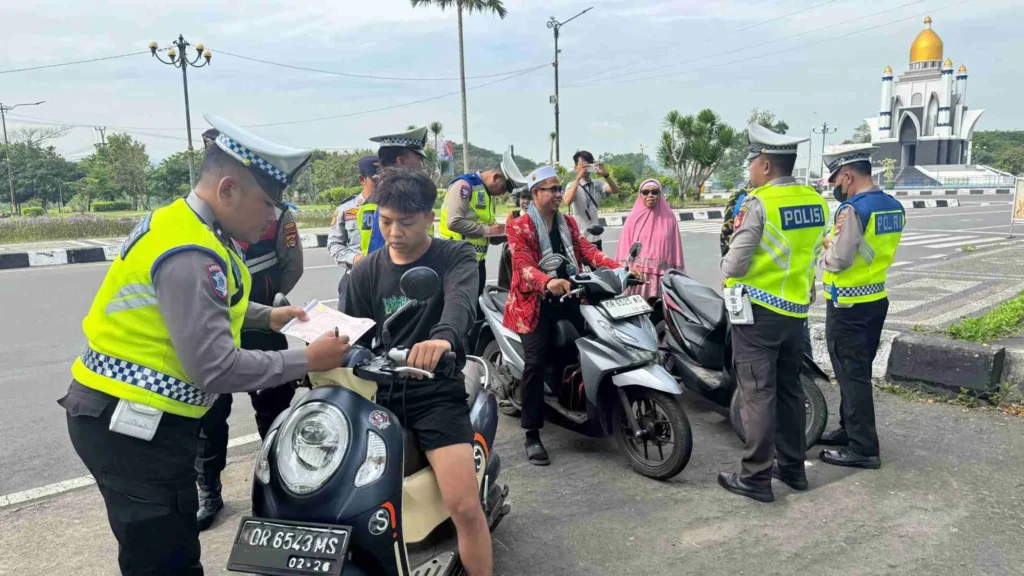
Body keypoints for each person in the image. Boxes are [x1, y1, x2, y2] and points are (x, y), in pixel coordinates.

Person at [59, 114, 352, 575]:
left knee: (159, 551)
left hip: (128, 419)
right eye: (268, 203)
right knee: (166, 561)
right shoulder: (192, 252)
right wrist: (306, 360)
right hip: (134, 429)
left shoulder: (186, 226)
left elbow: (199, 306)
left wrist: (266, 315)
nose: (274, 217)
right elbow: (213, 369)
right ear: (228, 189)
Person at [343, 168, 492, 576]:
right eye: (386, 221)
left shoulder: (454, 256)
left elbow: (460, 300)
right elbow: (354, 332)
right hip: (379, 394)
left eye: (406, 223)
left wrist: (442, 339)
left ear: (429, 218)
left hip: (434, 392)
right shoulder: (365, 271)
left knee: (463, 505)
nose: (394, 232)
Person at [191, 131, 307, 532]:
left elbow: (291, 265)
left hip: (260, 317)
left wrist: (274, 301)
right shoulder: (198, 224)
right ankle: (209, 489)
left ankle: (280, 483)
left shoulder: (276, 213)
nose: (265, 215)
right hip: (220, 326)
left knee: (274, 409)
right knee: (210, 415)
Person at [718, 123, 828, 503]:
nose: (749, 169)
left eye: (752, 162)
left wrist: (725, 268)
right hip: (795, 311)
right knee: (789, 390)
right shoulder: (817, 200)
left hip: (757, 313)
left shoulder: (759, 203)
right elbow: (812, 253)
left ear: (765, 165)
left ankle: (756, 477)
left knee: (758, 394)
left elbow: (734, 264)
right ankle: (794, 470)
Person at [504, 166, 620, 465]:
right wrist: (546, 281)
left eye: (559, 189)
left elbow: (587, 252)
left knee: (588, 349)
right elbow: (522, 265)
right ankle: (532, 433)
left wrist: (617, 268)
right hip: (534, 305)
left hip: (570, 297)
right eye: (552, 189)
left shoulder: (567, 222)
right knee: (535, 365)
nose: (558, 194)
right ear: (535, 194)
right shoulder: (519, 226)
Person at [817, 144, 904, 470]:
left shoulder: (852, 210)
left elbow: (839, 258)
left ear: (848, 175)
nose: (837, 187)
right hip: (875, 300)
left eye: (837, 180)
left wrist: (821, 257)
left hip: (848, 304)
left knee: (851, 376)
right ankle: (849, 430)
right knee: (856, 372)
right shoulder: (892, 206)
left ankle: (863, 448)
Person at [438, 148, 525, 297]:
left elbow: (483, 230)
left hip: (476, 262)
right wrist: (489, 231)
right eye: (504, 188)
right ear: (496, 177)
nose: (503, 193)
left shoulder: (486, 194)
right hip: (456, 261)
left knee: (476, 311)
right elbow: (453, 222)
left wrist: (504, 234)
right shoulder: (465, 185)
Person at [616, 178, 684, 300]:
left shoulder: (669, 219)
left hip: (662, 277)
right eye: (645, 192)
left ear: (660, 194)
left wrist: (675, 274)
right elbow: (624, 248)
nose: (650, 195)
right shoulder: (633, 219)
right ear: (640, 195)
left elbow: (676, 248)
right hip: (639, 276)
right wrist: (628, 269)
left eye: (655, 192)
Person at [366, 127, 430, 254]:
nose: (422, 165)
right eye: (419, 159)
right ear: (401, 161)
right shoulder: (398, 198)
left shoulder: (374, 197)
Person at [327, 155, 378, 310]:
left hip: (388, 279)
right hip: (355, 278)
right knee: (351, 331)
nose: (382, 183)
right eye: (376, 179)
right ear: (362, 179)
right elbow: (334, 244)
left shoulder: (395, 207)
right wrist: (355, 258)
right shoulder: (346, 209)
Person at [563, 149, 619, 250]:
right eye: (582, 164)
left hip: (595, 237)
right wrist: (578, 178)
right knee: (580, 266)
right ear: (576, 168)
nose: (585, 166)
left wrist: (606, 175)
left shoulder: (597, 184)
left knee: (598, 266)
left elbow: (615, 190)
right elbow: (567, 201)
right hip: (579, 238)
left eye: (588, 163)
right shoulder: (572, 185)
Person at [497, 188, 530, 290]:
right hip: (512, 257)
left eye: (530, 198)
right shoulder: (512, 215)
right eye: (524, 198)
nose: (527, 201)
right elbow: (508, 236)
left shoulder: (538, 217)